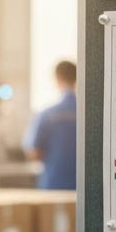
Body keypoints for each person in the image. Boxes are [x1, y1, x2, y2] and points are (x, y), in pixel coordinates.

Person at [24, 60, 77, 190]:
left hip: (54, 184)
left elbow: (33, 152)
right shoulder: (88, 114)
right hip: (84, 187)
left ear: (57, 78)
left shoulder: (46, 115)